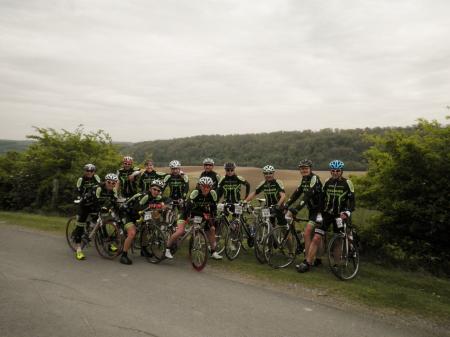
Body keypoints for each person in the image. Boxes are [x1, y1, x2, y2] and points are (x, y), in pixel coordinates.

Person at [296, 160, 355, 273]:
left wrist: (347, 212)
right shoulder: (327, 182)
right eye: (333, 170)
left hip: (340, 215)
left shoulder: (347, 183)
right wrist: (319, 214)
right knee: (317, 237)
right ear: (330, 171)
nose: (335, 173)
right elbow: (321, 200)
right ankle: (307, 263)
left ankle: (337, 265)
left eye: (337, 171)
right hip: (327, 214)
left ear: (341, 171)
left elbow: (352, 201)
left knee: (338, 240)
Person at [165, 176, 222, 260]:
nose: (206, 189)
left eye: (208, 186)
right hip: (186, 213)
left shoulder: (213, 194)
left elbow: (213, 209)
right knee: (180, 231)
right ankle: (167, 249)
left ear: (211, 187)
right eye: (203, 186)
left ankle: (213, 251)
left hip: (202, 214)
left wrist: (213, 218)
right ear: (200, 186)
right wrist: (189, 218)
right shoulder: (195, 192)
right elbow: (188, 207)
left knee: (212, 229)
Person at [284, 159, 323, 266]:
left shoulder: (314, 178)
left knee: (307, 233)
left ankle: (307, 260)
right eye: (301, 169)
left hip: (319, 211)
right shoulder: (304, 179)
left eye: (306, 168)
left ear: (310, 169)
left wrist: (296, 209)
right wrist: (287, 204)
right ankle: (318, 259)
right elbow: (297, 193)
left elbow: (307, 195)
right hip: (312, 210)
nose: (304, 170)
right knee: (317, 235)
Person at [120, 179, 166, 264]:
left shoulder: (158, 197)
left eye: (158, 190)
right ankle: (124, 255)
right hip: (127, 213)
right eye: (154, 189)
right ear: (150, 189)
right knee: (132, 233)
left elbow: (165, 201)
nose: (156, 192)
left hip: (138, 214)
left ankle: (143, 249)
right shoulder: (145, 195)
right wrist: (155, 206)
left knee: (146, 228)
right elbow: (138, 207)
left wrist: (162, 206)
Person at [73, 164, 101, 260]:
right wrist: (79, 198)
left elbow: (100, 186)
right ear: (84, 171)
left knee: (99, 220)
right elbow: (77, 190)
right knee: (80, 225)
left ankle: (104, 241)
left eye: (92, 171)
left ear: (94, 172)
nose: (89, 172)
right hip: (83, 204)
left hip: (93, 203)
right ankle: (78, 249)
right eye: (87, 171)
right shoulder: (81, 179)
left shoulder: (96, 177)